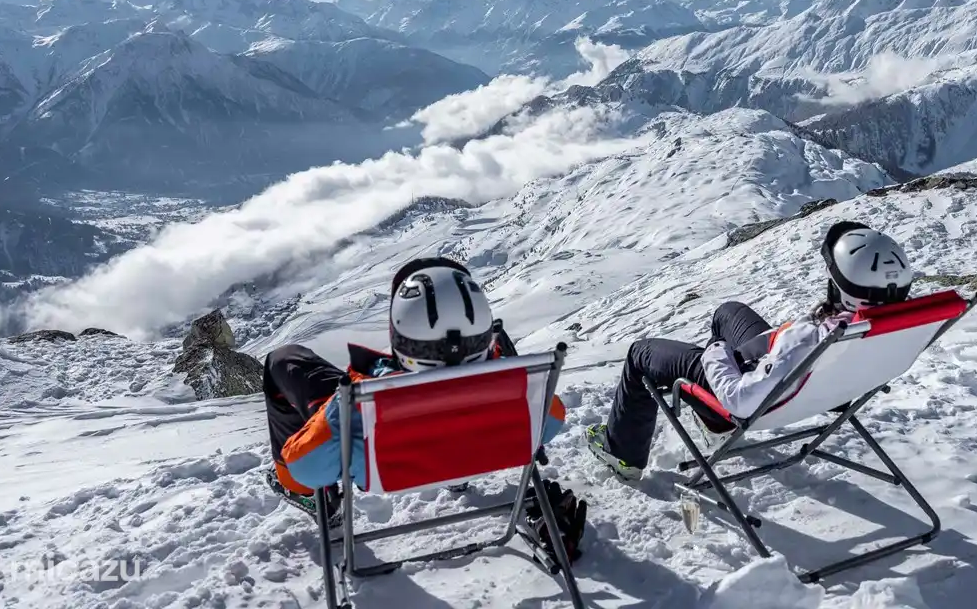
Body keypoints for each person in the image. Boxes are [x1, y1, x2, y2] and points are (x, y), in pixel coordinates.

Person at [585, 221, 919, 480]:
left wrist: (716, 352)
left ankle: (623, 454)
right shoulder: (894, 325)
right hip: (811, 383)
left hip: (749, 394)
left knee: (640, 354)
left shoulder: (813, 338)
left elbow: (741, 400)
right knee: (727, 312)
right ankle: (716, 427)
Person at [262, 257, 569, 518]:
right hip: (474, 446)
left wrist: (337, 408)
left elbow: (306, 467)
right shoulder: (522, 391)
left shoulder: (357, 407)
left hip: (389, 435)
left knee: (283, 362)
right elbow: (552, 420)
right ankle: (457, 474)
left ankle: (312, 500)